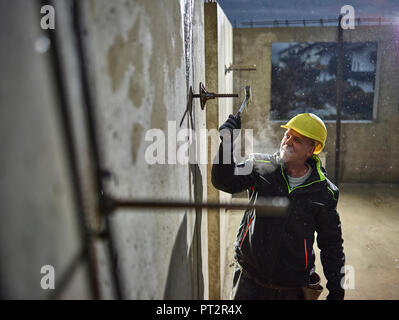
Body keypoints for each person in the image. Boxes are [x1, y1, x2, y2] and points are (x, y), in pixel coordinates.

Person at [211, 112, 345, 300]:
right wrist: (226, 143)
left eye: (296, 139)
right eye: (287, 135)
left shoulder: (325, 192)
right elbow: (223, 181)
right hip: (249, 278)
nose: (288, 141)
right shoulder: (260, 166)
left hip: (291, 287)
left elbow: (331, 245)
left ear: (311, 149)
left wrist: (337, 292)